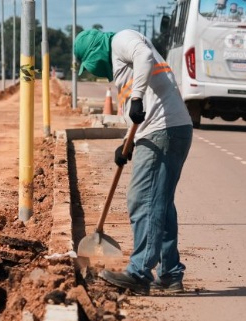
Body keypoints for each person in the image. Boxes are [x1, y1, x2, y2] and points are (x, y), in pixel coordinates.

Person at [74, 28, 193, 295]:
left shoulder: (121, 39)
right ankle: (170, 273)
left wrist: (136, 97)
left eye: (88, 66)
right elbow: (141, 109)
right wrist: (128, 142)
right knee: (160, 204)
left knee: (143, 200)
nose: (92, 71)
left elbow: (144, 55)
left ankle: (139, 272)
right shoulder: (121, 61)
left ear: (93, 52)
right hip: (168, 129)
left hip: (163, 131)